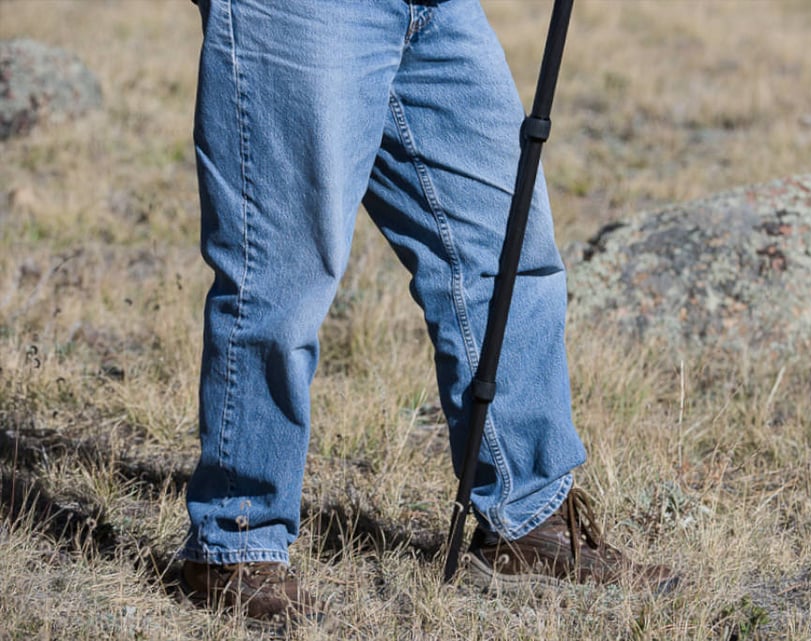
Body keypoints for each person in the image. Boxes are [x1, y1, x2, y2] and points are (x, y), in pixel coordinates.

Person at [180, 0, 676, 623]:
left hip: (438, 10)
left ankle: (528, 520)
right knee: (279, 277)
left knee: (505, 251)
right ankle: (237, 540)